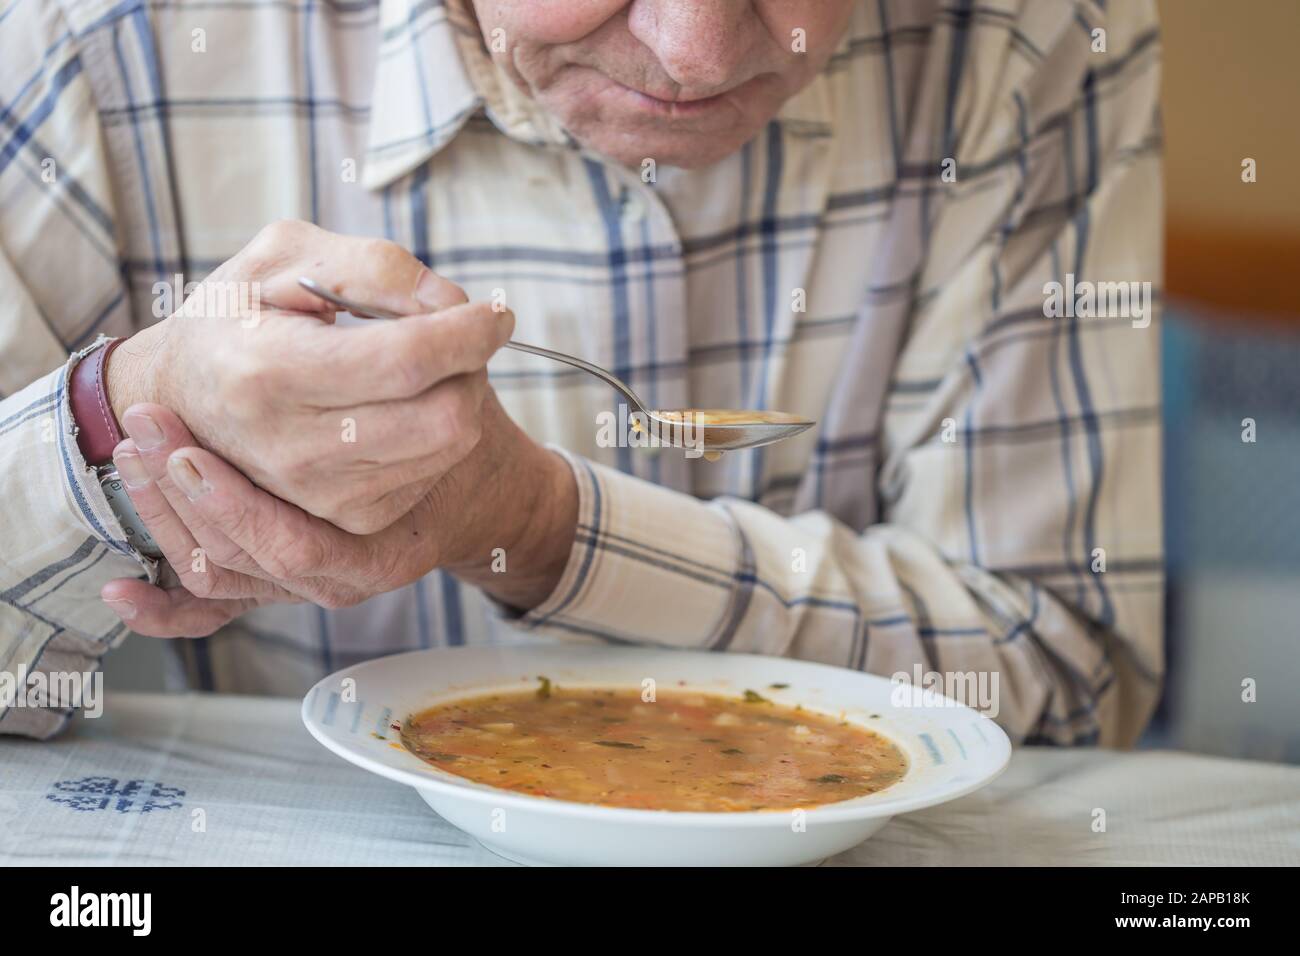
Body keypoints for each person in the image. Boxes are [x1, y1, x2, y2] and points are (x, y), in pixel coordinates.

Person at [0, 0, 1163, 744]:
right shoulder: (93, 42)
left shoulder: (1031, 38)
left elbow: (1067, 677)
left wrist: (543, 523)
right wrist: (109, 422)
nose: (694, 50)